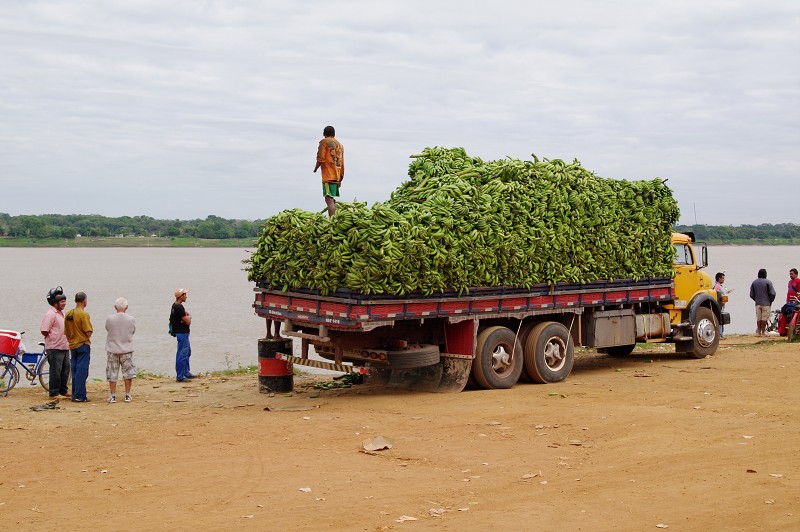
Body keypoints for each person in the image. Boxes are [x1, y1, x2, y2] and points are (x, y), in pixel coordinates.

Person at [105, 297, 136, 403]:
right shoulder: (131, 319)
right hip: (127, 349)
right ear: (126, 307)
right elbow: (133, 331)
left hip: (113, 348)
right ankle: (127, 394)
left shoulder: (110, 319)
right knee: (128, 373)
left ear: (115, 307)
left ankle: (113, 395)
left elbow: (107, 329)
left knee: (112, 372)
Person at [40, 286, 70, 399]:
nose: (64, 302)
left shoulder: (62, 313)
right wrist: (53, 338)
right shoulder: (50, 314)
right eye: (61, 300)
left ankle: (63, 391)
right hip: (54, 347)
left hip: (64, 346)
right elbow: (44, 330)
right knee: (55, 371)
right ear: (54, 302)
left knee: (65, 370)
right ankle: (54, 393)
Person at [64, 291, 93, 402]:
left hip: (72, 345)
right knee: (82, 370)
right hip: (82, 344)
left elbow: (66, 332)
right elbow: (88, 331)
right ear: (84, 301)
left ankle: (75, 394)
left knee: (74, 369)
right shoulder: (83, 314)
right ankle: (80, 395)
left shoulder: (68, 313)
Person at [313, 125, 345, 217]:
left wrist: (315, 169)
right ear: (334, 134)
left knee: (328, 199)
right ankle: (336, 217)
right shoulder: (340, 145)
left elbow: (320, 158)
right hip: (337, 175)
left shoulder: (324, 142)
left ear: (324, 134)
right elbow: (342, 162)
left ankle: (332, 221)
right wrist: (340, 178)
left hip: (329, 175)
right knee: (332, 199)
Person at [170, 288, 195, 382]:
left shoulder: (175, 306)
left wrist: (186, 317)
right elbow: (188, 321)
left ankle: (186, 372)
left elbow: (184, 318)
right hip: (182, 333)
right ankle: (180, 376)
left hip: (182, 333)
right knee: (182, 354)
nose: (186, 296)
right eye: (185, 295)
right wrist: (189, 318)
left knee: (187, 352)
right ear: (181, 296)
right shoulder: (179, 307)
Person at [749, 269, 776, 337]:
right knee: (764, 319)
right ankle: (763, 332)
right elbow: (773, 293)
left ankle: (758, 332)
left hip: (757, 303)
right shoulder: (768, 282)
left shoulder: (754, 282)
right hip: (766, 303)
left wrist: (756, 299)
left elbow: (751, 294)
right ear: (765, 274)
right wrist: (770, 300)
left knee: (758, 318)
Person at [713, 272, 731, 339]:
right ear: (719, 278)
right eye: (722, 278)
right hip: (719, 305)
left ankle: (721, 334)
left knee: (722, 319)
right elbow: (717, 295)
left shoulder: (720, 286)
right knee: (719, 319)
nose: (724, 279)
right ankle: (719, 334)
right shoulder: (717, 286)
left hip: (722, 305)